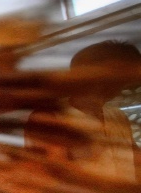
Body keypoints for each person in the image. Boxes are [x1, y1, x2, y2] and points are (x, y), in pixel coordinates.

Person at [24, 40, 140, 182]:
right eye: (120, 72)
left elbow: (134, 158)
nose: (128, 81)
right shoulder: (51, 117)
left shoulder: (117, 116)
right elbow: (50, 174)